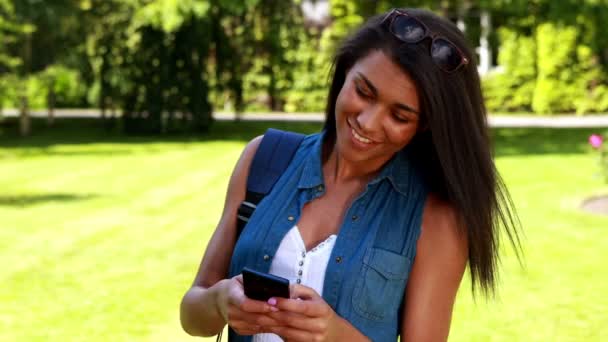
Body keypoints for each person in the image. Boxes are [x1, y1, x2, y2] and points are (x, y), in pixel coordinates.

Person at [180, 7, 521, 342]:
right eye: (364, 92)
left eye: (399, 116)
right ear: (345, 73)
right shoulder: (264, 158)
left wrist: (332, 334)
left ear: (424, 126)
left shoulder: (437, 216)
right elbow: (193, 315)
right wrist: (220, 302)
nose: (368, 122)